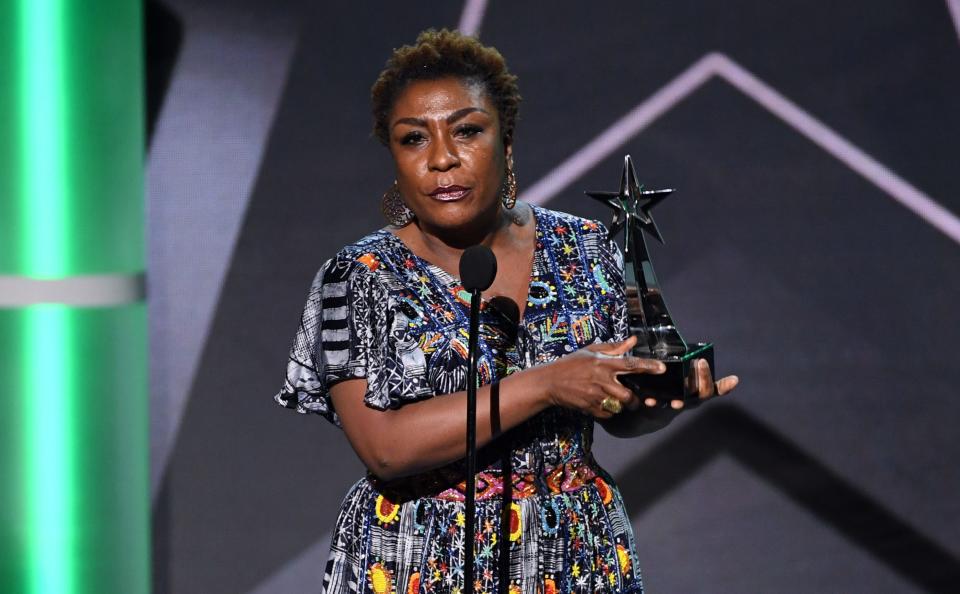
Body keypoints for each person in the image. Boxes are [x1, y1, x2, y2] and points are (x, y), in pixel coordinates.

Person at [275, 29, 738, 594]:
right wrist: (547, 384)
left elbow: (613, 411)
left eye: (467, 130)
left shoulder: (586, 248)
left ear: (506, 140)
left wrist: (660, 396)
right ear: (394, 158)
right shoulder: (359, 277)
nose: (443, 158)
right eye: (414, 139)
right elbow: (387, 450)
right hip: (419, 559)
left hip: (574, 550)